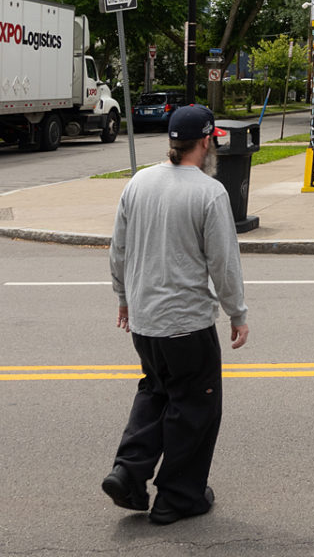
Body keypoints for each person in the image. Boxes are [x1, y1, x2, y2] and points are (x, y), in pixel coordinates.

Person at [102, 104, 249, 526]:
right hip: (186, 325)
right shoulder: (208, 191)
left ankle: (128, 471)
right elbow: (223, 264)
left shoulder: (140, 182)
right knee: (196, 408)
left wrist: (123, 298)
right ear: (206, 141)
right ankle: (178, 497)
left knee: (156, 391)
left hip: (145, 322)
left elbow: (119, 250)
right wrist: (237, 313)